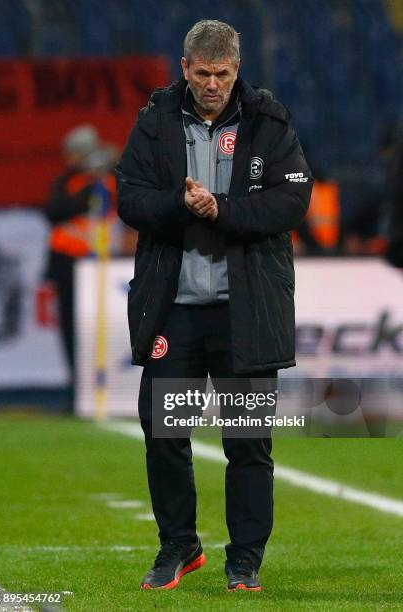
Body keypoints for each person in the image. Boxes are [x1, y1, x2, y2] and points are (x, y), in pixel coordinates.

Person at [116, 20, 313, 591]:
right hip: (173, 308)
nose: (211, 84)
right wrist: (181, 207)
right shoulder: (154, 120)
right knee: (164, 433)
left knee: (247, 442)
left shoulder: (268, 120)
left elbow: (292, 199)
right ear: (184, 68)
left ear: (235, 67)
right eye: (201, 73)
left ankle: (244, 560)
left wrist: (220, 211)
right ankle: (179, 546)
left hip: (244, 309)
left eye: (222, 74)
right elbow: (129, 195)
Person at [45, 125, 117, 392]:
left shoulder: (110, 179)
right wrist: (85, 192)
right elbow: (54, 210)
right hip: (67, 262)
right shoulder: (67, 181)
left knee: (98, 325)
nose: (70, 159)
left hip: (100, 263)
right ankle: (78, 384)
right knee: (69, 325)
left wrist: (103, 172)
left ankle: (103, 383)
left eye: (74, 154)